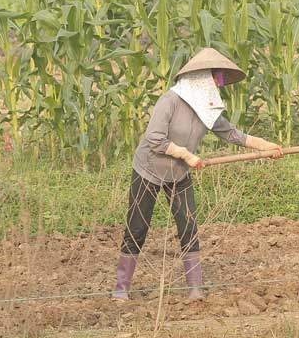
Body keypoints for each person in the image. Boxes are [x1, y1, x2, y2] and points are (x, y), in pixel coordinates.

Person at [113, 48, 283, 302]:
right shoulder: (169, 101)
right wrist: (186, 155)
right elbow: (154, 139)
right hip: (149, 170)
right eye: (217, 78)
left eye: (221, 80)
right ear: (201, 78)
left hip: (179, 174)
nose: (219, 84)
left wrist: (265, 146)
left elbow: (231, 134)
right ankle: (121, 288)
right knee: (137, 227)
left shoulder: (207, 108)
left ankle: (195, 289)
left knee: (188, 226)